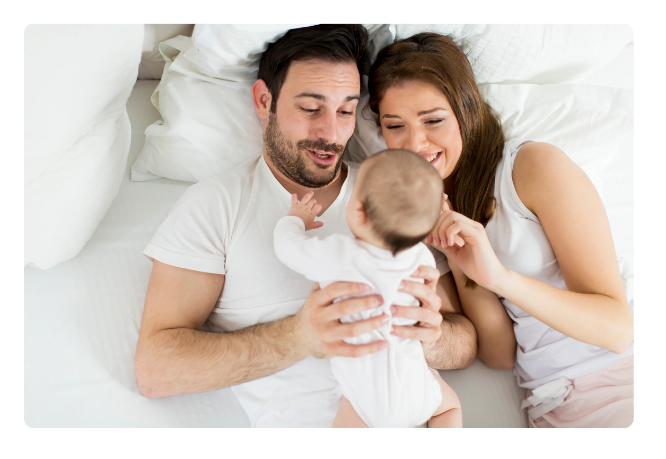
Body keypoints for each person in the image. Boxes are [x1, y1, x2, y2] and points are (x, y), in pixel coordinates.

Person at [134, 24, 477, 428]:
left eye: (346, 110)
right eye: (311, 108)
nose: (331, 133)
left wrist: (432, 336)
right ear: (265, 100)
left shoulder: (391, 191)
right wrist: (300, 337)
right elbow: (156, 370)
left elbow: (466, 343)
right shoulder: (217, 205)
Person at [367, 32, 634, 428]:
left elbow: (616, 329)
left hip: (617, 381)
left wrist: (501, 278)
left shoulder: (531, 168)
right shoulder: (436, 215)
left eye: (433, 120)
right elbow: (500, 355)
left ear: (466, 109)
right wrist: (461, 263)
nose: (415, 143)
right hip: (549, 405)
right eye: (395, 126)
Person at [274, 149, 463, 428]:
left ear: (359, 212)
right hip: (418, 385)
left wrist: (296, 219)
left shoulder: (342, 255)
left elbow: (288, 248)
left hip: (367, 401)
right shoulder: (421, 259)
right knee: (449, 408)